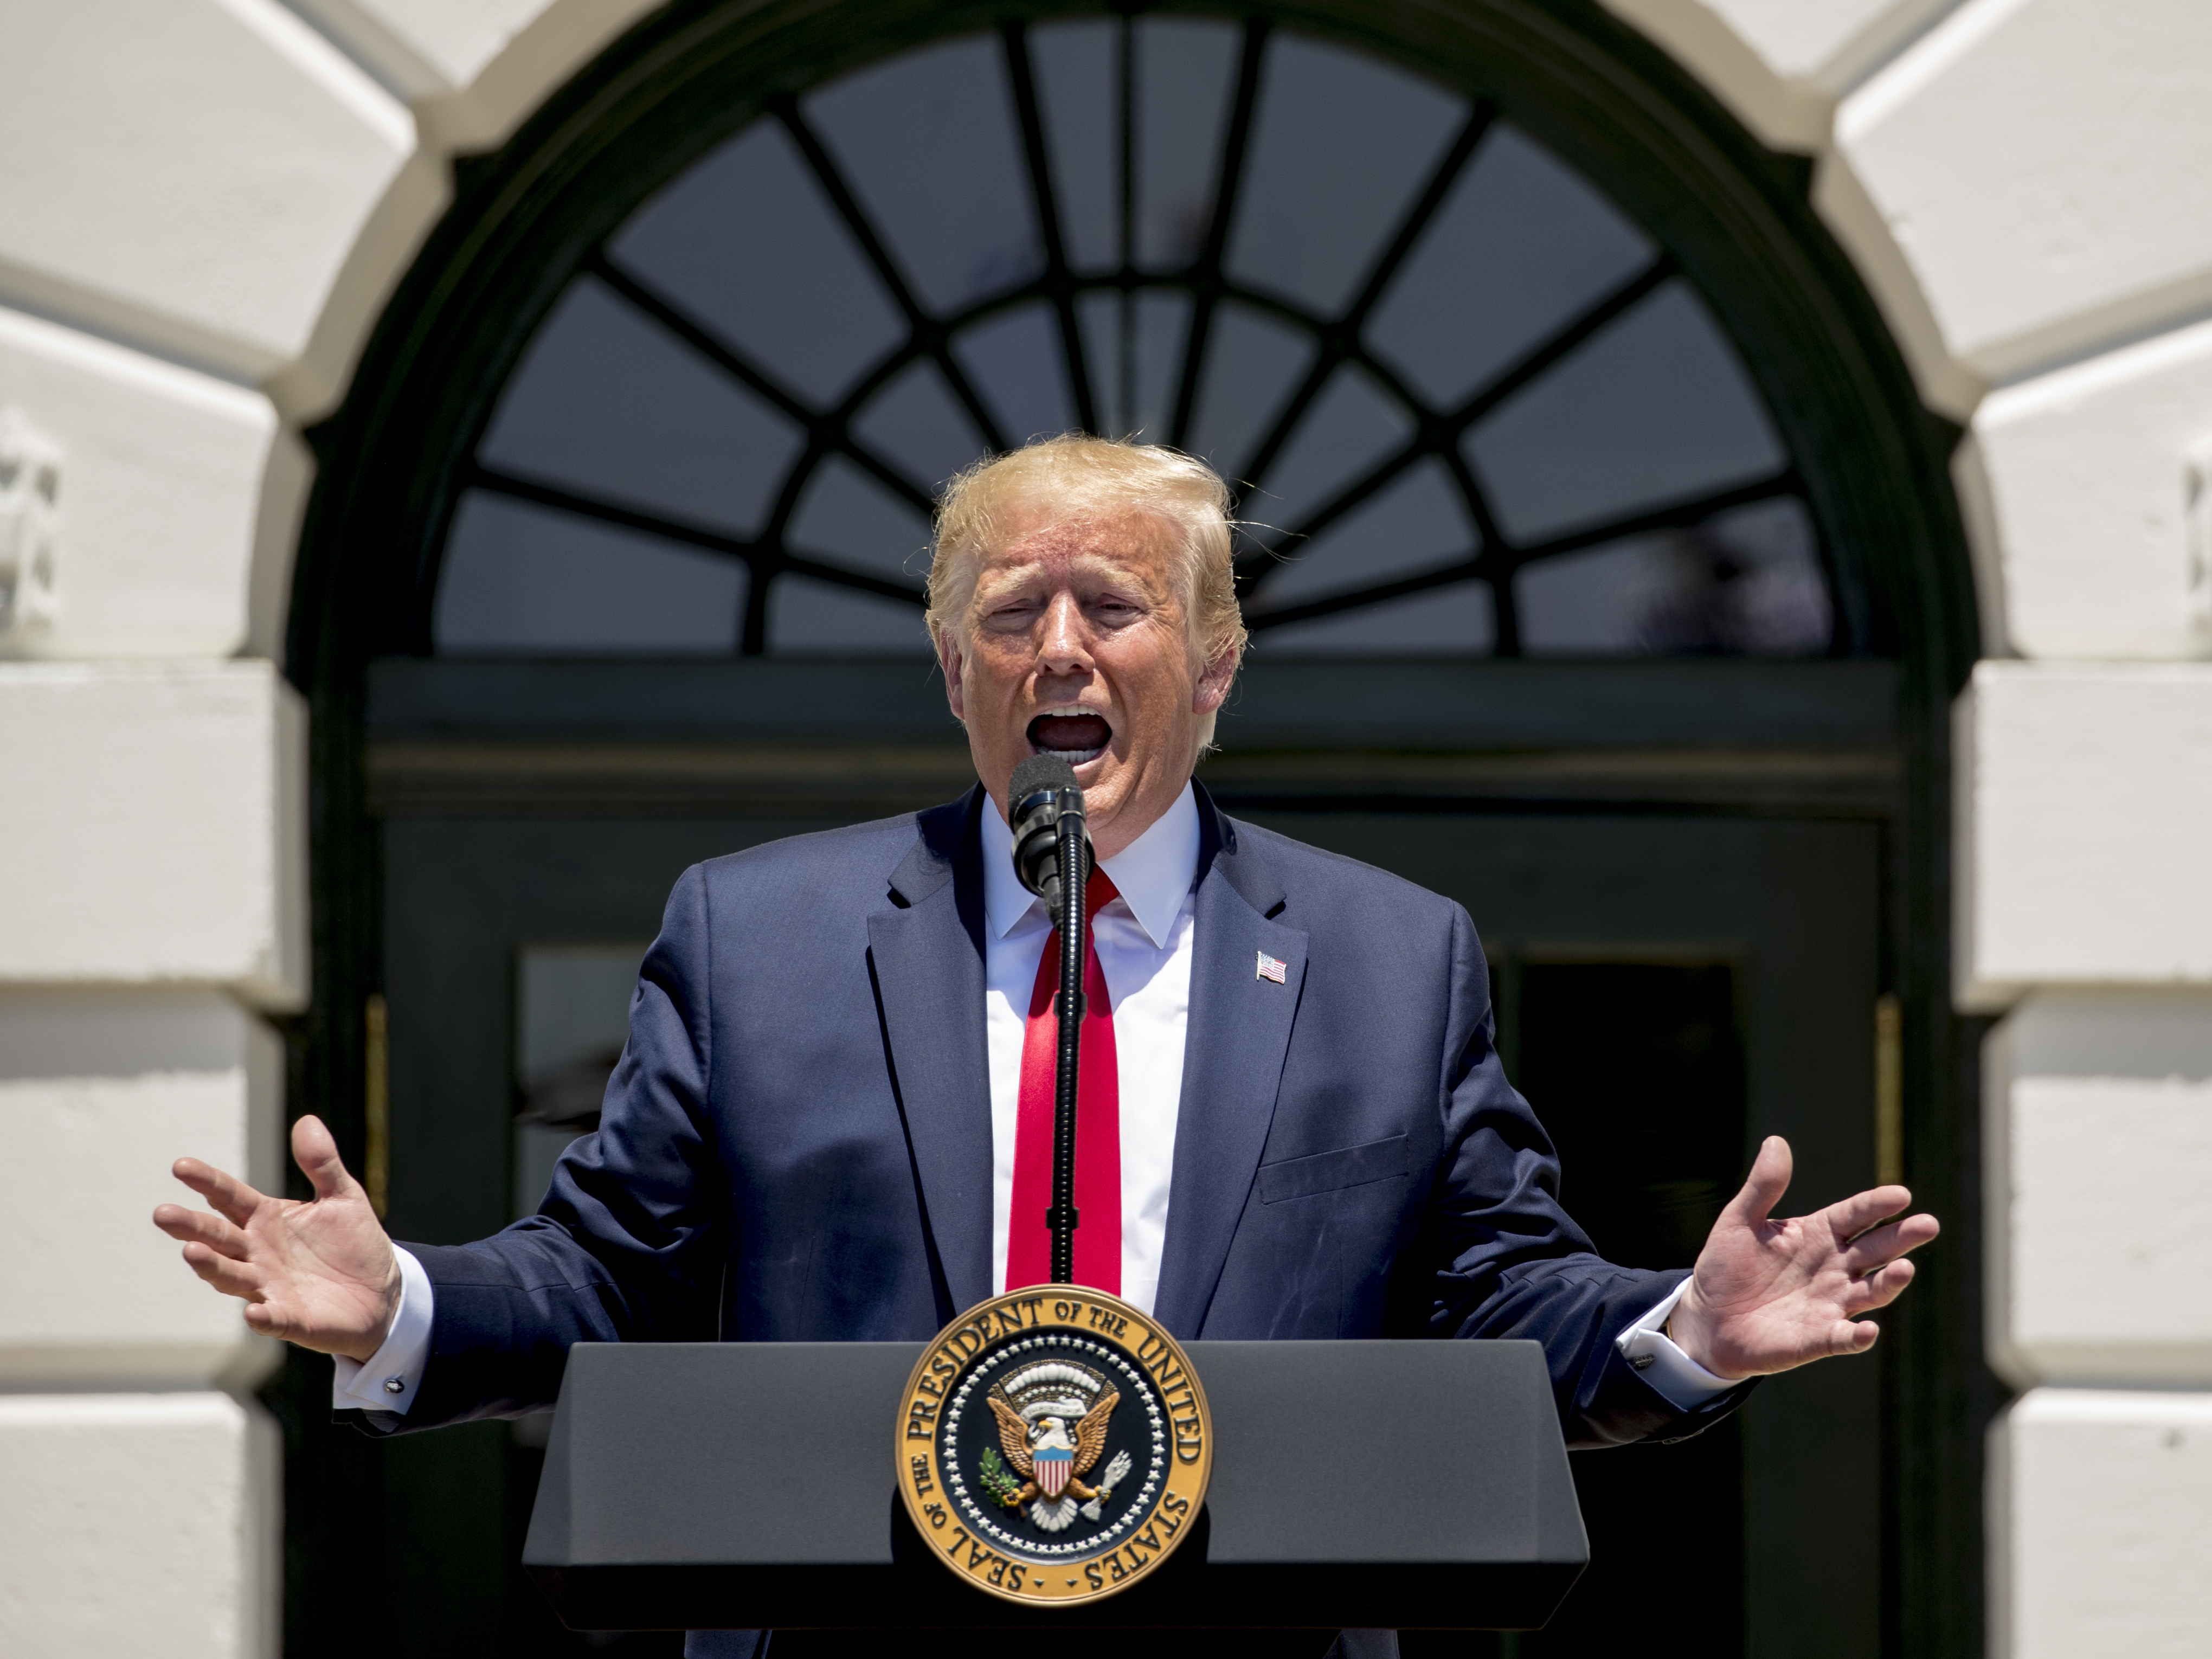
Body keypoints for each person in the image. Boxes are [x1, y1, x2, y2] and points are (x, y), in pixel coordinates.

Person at [155, 436, 1937, 1654]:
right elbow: (606, 1267)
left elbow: (1500, 1305)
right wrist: (404, 1305)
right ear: (954, 664)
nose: (1059, 645)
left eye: (1117, 604)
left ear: (1218, 662)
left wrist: (1680, 1332)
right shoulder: (758, 937)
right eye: (1014, 611)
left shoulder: (1393, 961)